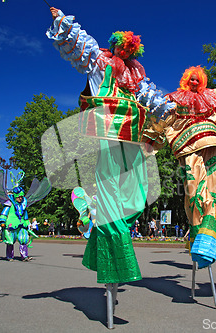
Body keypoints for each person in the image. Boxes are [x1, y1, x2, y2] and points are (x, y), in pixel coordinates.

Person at [47, 7, 173, 284]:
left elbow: (154, 99)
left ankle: (100, 242)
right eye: (122, 47)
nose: (125, 52)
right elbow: (80, 39)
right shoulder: (99, 62)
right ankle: (117, 257)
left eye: (131, 49)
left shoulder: (134, 78)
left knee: (139, 196)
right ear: (115, 45)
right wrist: (61, 18)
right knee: (109, 194)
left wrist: (174, 108)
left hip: (131, 138)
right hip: (104, 134)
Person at [149, 66, 216, 268]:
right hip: (188, 148)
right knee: (193, 190)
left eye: (198, 79)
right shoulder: (175, 100)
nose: (195, 82)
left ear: (203, 82)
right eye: (192, 79)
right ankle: (200, 236)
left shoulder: (213, 95)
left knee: (215, 189)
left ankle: (209, 239)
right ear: (185, 81)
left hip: (213, 144)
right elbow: (163, 119)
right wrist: (151, 137)